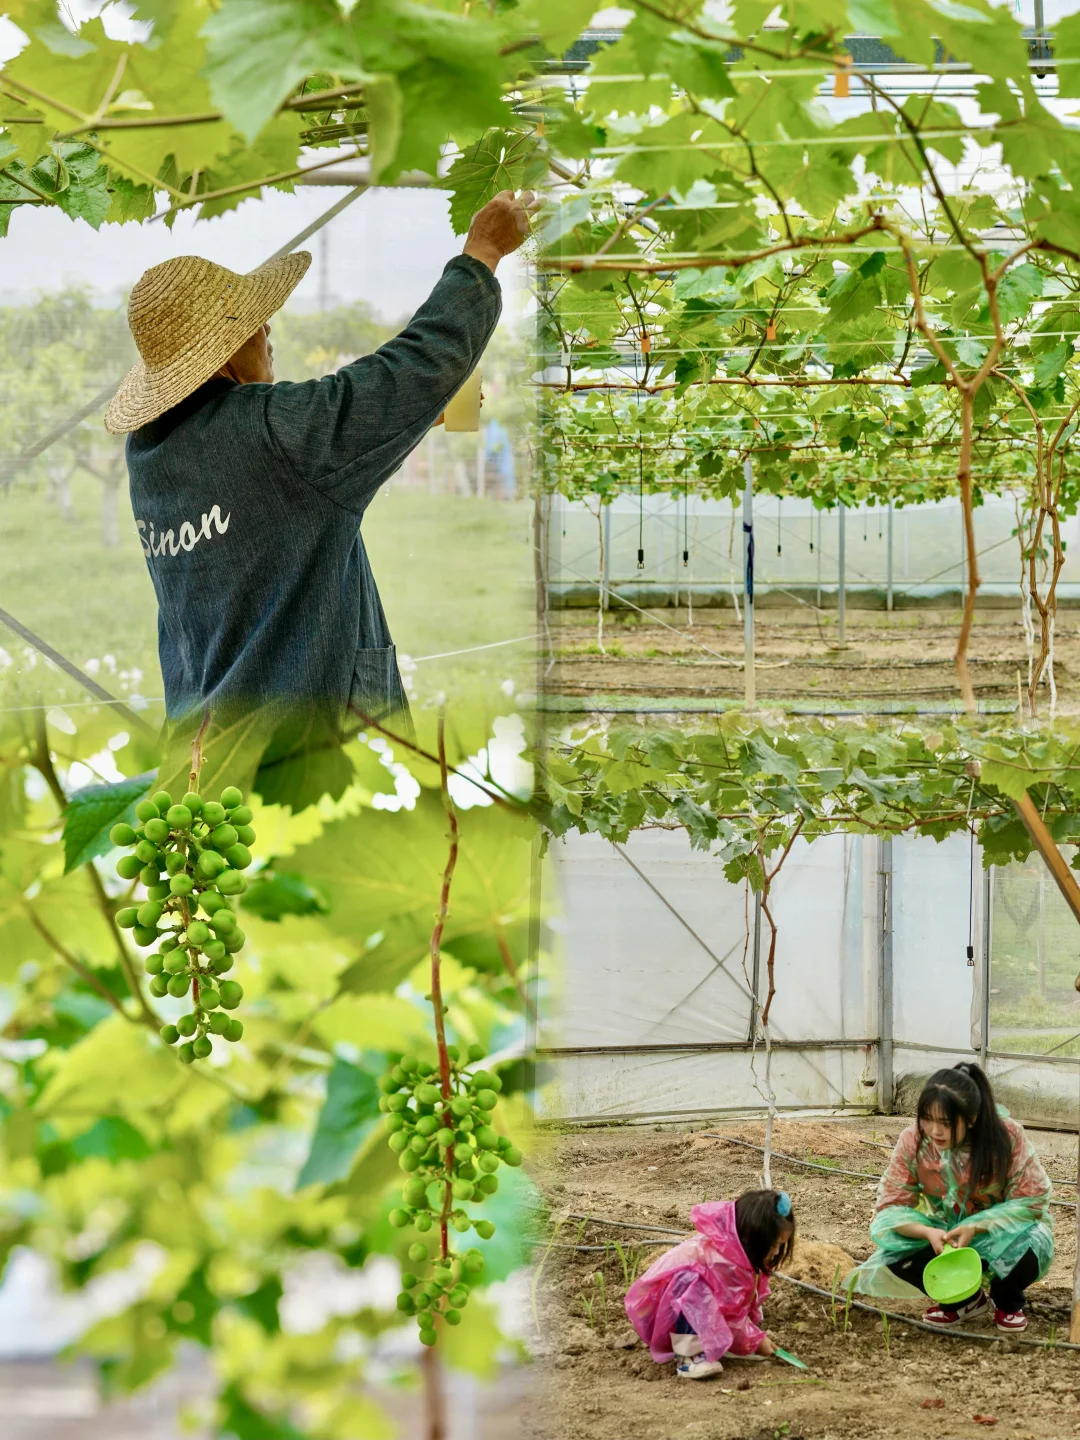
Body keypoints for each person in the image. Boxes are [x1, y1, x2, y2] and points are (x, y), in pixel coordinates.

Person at [105, 190, 538, 735]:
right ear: (222, 353)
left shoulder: (151, 448)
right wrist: (482, 253)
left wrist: (415, 416)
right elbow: (412, 369)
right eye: (255, 324)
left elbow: (290, 475)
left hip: (203, 757)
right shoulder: (275, 435)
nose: (268, 333)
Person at [847, 1063, 1053, 1333]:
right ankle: (964, 1301)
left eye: (945, 1123)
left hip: (1004, 1231)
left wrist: (977, 1225)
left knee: (1027, 1248)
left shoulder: (1005, 1136)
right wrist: (929, 1233)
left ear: (972, 1118)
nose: (934, 1131)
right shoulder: (913, 1142)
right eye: (927, 1119)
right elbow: (892, 1205)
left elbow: (1032, 1200)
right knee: (898, 1256)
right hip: (949, 1233)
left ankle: (1007, 1301)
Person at [624, 1189, 795, 1380]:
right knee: (691, 1287)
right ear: (751, 1239)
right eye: (773, 1245)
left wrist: (751, 1338)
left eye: (781, 1245)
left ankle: (718, 1344)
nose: (776, 1252)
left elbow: (734, 1311)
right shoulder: (719, 1262)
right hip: (666, 1316)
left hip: (694, 1309)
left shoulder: (739, 1256)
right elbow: (730, 1316)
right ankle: (689, 1356)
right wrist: (753, 1341)